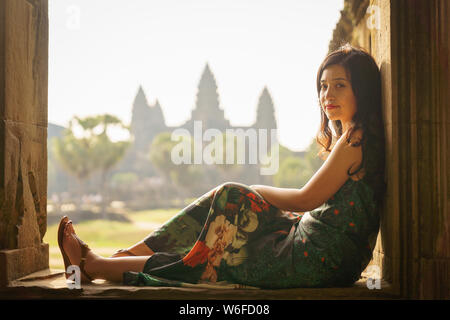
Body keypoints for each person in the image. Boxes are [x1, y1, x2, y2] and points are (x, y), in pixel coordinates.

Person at [58, 43, 386, 288]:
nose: (327, 94)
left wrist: (255, 191)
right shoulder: (354, 137)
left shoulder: (354, 139)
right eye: (323, 86)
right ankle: (114, 260)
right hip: (319, 252)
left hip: (316, 260)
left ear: (364, 89)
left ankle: (101, 265)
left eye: (340, 85)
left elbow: (305, 200)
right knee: (215, 241)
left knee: (213, 246)